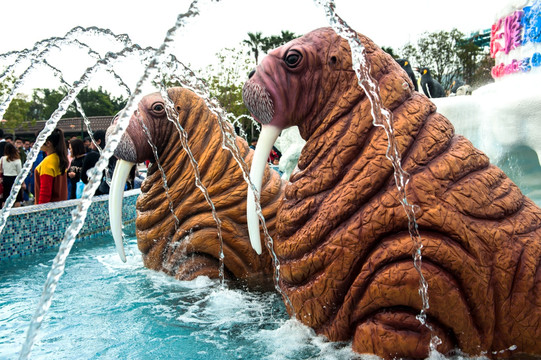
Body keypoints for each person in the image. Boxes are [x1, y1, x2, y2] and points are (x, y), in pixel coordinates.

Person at [34, 128, 69, 204]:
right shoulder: (59, 158)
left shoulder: (47, 163)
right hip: (60, 207)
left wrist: (40, 211)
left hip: (48, 211)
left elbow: (45, 194)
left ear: (48, 143)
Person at [81, 130, 116, 196]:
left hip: (95, 193)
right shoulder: (112, 155)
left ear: (98, 141)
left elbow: (83, 177)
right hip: (111, 192)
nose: (91, 144)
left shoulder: (91, 156)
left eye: (92, 141)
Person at [0, 142, 24, 207]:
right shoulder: (17, 160)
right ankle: (17, 214)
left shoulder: (2, 159)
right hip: (15, 179)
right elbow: (20, 172)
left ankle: (4, 213)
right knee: (17, 198)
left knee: (5, 198)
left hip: (5, 179)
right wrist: (23, 183)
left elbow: (1, 170)